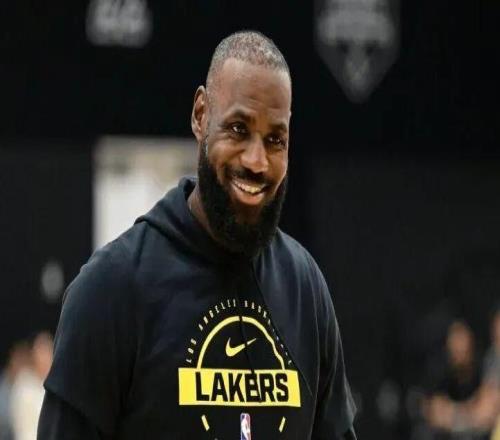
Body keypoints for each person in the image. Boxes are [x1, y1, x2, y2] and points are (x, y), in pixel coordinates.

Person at [37, 30, 357, 439]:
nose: (257, 160)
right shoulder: (111, 289)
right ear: (201, 115)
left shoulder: (305, 288)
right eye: (238, 129)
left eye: (275, 140)